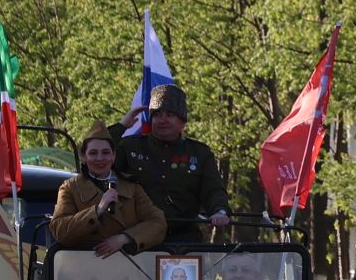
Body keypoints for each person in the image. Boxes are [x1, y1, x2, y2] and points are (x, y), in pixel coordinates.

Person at [117, 84, 229, 242]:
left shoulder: (199, 153)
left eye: (170, 115)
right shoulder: (130, 147)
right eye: (157, 115)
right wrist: (120, 127)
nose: (163, 120)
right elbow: (94, 159)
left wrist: (219, 211)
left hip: (183, 238)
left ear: (182, 122)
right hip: (138, 238)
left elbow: (213, 190)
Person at [50, 122, 167, 257]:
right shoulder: (70, 188)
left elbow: (158, 223)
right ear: (83, 156)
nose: (100, 158)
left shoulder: (132, 188)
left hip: (127, 268)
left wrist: (124, 238)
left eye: (105, 153)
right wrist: (97, 211)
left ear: (113, 156)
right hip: (83, 265)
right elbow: (60, 231)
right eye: (93, 153)